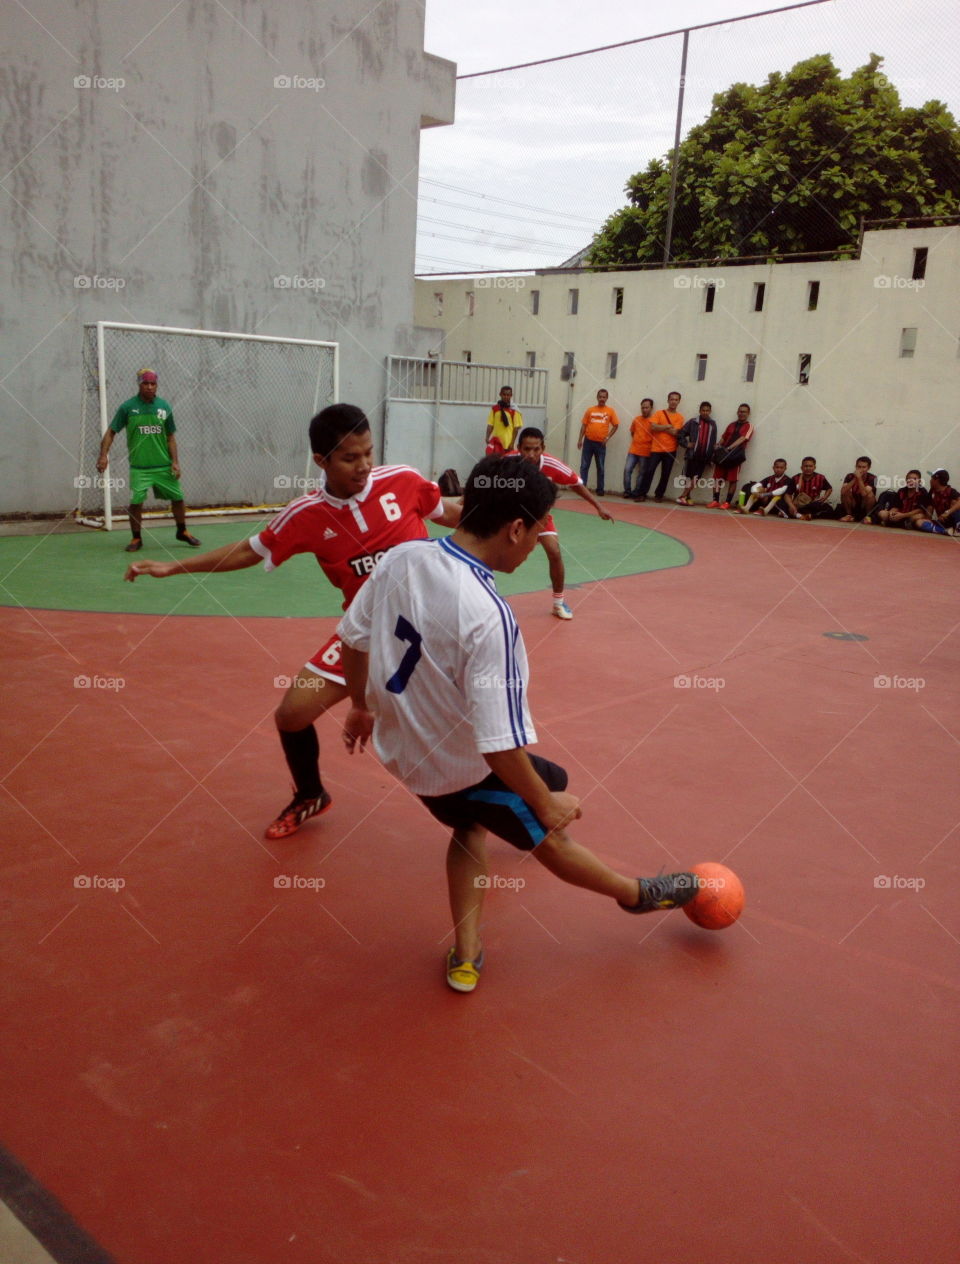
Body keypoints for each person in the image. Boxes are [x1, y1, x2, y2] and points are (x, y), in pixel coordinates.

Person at [337, 454, 699, 994]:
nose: (535, 547)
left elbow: (353, 636)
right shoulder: (489, 616)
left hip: (403, 749)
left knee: (500, 808)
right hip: (455, 770)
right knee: (547, 828)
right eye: (536, 535)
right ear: (514, 528)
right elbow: (499, 747)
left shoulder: (402, 557)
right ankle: (636, 894)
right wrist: (546, 807)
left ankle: (468, 946)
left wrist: (361, 705)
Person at [123, 403, 462, 840]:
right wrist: (176, 567)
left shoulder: (403, 482)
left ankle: (538, 793)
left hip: (428, 630)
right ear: (321, 461)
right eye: (349, 458)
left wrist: (507, 512)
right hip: (363, 637)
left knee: (462, 727)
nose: (363, 467)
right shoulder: (305, 515)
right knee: (292, 715)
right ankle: (310, 794)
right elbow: (250, 549)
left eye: (368, 453)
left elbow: (451, 513)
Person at [96, 368, 202, 553]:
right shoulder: (127, 408)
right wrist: (103, 455)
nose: (150, 387)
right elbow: (111, 432)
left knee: (178, 498)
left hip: (163, 466)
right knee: (136, 503)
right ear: (139, 384)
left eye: (153, 384)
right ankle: (136, 538)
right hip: (140, 468)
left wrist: (175, 462)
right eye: (146, 383)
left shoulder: (164, 407)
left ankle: (182, 531)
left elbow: (170, 437)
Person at [514, 426, 614, 620]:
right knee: (491, 552)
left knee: (555, 552)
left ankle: (558, 603)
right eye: (527, 449)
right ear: (519, 448)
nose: (531, 454)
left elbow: (576, 484)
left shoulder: (553, 465)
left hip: (541, 517)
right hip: (513, 516)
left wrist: (599, 507)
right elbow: (486, 480)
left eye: (536, 449)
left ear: (543, 447)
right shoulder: (509, 462)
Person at [635, 391, 683, 502]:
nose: (673, 402)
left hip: (670, 450)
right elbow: (653, 427)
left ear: (679, 402)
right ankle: (642, 494)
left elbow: (675, 432)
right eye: (672, 399)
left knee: (665, 474)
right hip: (656, 449)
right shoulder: (659, 413)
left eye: (676, 400)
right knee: (649, 471)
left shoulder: (680, 417)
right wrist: (666, 427)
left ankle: (659, 495)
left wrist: (660, 427)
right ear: (668, 400)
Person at [707, 404, 754, 508]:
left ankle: (727, 502)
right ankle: (715, 501)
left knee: (732, 480)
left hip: (735, 456)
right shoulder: (731, 424)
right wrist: (718, 446)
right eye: (740, 411)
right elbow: (724, 437)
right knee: (717, 478)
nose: (742, 413)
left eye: (744, 412)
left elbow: (743, 438)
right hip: (723, 455)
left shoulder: (749, 426)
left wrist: (729, 448)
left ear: (748, 413)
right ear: (737, 412)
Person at [576, 389, 619, 496]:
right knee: (584, 466)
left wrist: (608, 437)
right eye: (600, 396)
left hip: (600, 444)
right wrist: (580, 439)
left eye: (604, 397)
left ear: (607, 398)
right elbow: (584, 425)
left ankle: (600, 489)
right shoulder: (590, 410)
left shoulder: (610, 411)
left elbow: (616, 425)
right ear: (597, 397)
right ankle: (583, 489)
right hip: (588, 442)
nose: (602, 399)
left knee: (600, 467)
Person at [675, 401, 718, 505]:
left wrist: (712, 457)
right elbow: (680, 434)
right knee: (689, 477)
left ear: (710, 411)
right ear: (699, 411)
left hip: (704, 457)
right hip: (692, 455)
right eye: (703, 410)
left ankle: (682, 496)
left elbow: (713, 441)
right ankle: (686, 497)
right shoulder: (693, 422)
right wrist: (687, 444)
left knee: (696, 478)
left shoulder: (713, 424)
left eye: (707, 410)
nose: (705, 412)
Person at [908, 468, 960, 535]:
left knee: (955, 503)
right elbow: (930, 508)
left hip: (954, 519)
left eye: (931, 478)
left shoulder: (951, 491)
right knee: (919, 522)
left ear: (936, 480)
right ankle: (945, 531)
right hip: (942, 522)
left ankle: (957, 528)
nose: (930, 480)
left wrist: (948, 512)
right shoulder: (932, 492)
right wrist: (927, 520)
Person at [623, 398, 654, 499]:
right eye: (643, 407)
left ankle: (636, 492)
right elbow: (632, 432)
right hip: (633, 450)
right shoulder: (636, 419)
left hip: (646, 452)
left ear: (651, 408)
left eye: (647, 407)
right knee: (627, 470)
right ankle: (627, 491)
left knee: (642, 473)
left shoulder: (654, 422)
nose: (644, 409)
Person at [485, 386, 522, 456]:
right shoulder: (495, 409)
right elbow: (490, 425)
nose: (506, 397)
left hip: (507, 443)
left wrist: (512, 443)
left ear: (511, 396)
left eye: (508, 395)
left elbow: (516, 428)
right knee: (494, 463)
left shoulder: (514, 410)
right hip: (495, 442)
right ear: (500, 394)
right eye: (504, 394)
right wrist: (487, 437)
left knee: (507, 464)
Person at [837, 457, 877, 522]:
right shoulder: (849, 476)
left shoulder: (873, 478)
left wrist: (859, 479)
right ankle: (849, 515)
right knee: (846, 491)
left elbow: (864, 494)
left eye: (864, 467)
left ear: (868, 468)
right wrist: (855, 478)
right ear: (855, 467)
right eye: (859, 467)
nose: (861, 469)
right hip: (853, 503)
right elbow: (843, 492)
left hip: (864, 505)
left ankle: (868, 516)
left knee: (870, 494)